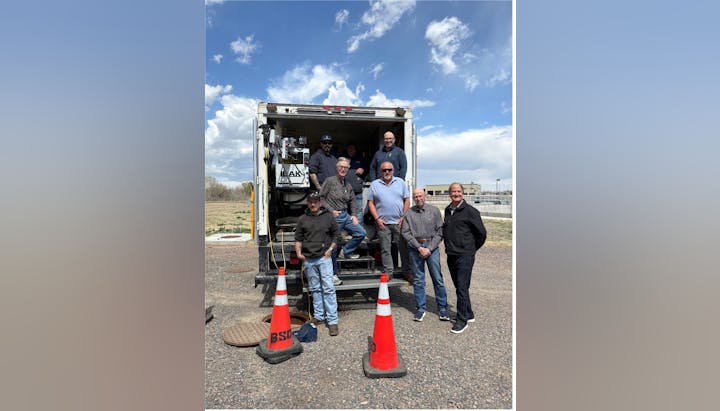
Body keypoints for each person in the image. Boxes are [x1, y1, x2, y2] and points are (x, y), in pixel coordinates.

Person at [294, 191, 341, 336]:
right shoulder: (302, 219)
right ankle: (319, 316)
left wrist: (330, 250)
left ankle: (332, 321)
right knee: (315, 289)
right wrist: (298, 253)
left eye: (315, 201)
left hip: (324, 258)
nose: (313, 204)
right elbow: (298, 238)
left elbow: (336, 235)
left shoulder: (328, 217)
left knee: (328, 288)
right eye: (310, 201)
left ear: (319, 202)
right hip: (309, 259)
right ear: (307, 203)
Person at [442, 182, 487, 334]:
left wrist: (471, 250)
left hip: (464, 255)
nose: (456, 194)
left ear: (463, 193)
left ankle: (462, 321)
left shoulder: (470, 211)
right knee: (460, 286)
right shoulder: (448, 210)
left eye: (459, 191)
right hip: (451, 254)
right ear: (450, 194)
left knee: (461, 287)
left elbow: (481, 234)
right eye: (453, 191)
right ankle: (468, 313)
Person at [401, 188, 449, 322]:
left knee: (437, 278)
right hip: (415, 248)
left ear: (425, 196)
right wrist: (418, 247)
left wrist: (430, 248)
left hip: (431, 247)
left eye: (420, 195)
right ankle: (420, 309)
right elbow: (405, 232)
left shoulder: (434, 211)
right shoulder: (408, 213)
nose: (418, 198)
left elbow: (440, 231)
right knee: (418, 280)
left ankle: (443, 308)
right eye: (415, 196)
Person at [320, 157, 367, 286]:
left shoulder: (347, 184)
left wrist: (353, 215)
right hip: (333, 217)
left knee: (361, 232)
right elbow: (321, 198)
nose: (343, 169)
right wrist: (331, 210)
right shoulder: (330, 181)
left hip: (345, 215)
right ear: (337, 168)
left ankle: (346, 251)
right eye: (341, 167)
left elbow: (352, 200)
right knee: (332, 246)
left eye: (346, 167)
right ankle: (333, 274)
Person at [367, 161, 410, 279]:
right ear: (380, 172)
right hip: (383, 223)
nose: (387, 172)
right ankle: (388, 272)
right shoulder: (375, 184)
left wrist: (403, 217)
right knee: (385, 249)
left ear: (393, 170)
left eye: (389, 170)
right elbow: (370, 203)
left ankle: (407, 271)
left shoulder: (400, 182)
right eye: (384, 170)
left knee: (403, 248)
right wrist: (377, 219)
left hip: (399, 222)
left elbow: (407, 200)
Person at [343, 143, 366, 216]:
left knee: (358, 213)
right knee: (345, 213)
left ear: (355, 150)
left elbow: (367, 168)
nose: (351, 150)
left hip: (357, 192)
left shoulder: (360, 158)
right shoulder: (343, 159)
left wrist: (363, 169)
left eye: (353, 148)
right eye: (349, 148)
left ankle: (357, 227)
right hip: (344, 192)